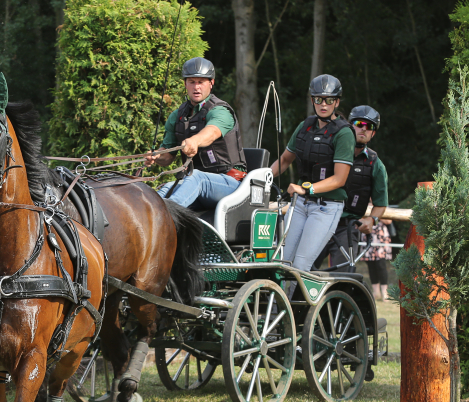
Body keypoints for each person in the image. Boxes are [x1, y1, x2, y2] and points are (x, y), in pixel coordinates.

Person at [269, 74, 354, 273]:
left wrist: (307, 188)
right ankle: (281, 305)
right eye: (318, 99)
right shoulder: (305, 126)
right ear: (312, 100)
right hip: (299, 205)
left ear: (337, 102)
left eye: (329, 100)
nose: (323, 104)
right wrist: (259, 179)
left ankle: (308, 304)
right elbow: (284, 160)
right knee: (283, 264)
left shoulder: (344, 133)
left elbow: (340, 179)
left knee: (300, 265)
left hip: (326, 208)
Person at [145, 57, 247, 210]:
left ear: (211, 83)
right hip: (194, 184)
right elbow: (167, 156)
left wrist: (195, 141)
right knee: (162, 192)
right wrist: (157, 156)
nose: (196, 87)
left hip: (231, 184)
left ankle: (168, 218)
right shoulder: (177, 116)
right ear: (185, 84)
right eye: (192, 82)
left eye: (201, 82)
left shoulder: (220, 111)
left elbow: (212, 132)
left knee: (195, 178)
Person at [316, 105, 389, 272]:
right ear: (350, 126)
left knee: (342, 279)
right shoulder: (329, 152)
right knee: (300, 273)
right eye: (359, 123)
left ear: (373, 133)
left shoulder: (375, 164)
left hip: (347, 228)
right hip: (318, 220)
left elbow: (381, 204)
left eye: (369, 126)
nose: (363, 129)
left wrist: (371, 220)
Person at [362, 218, 393, 300]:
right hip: (368, 235)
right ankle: (376, 293)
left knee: (381, 266)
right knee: (371, 266)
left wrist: (375, 215)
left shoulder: (382, 206)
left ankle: (384, 293)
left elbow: (389, 221)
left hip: (381, 237)